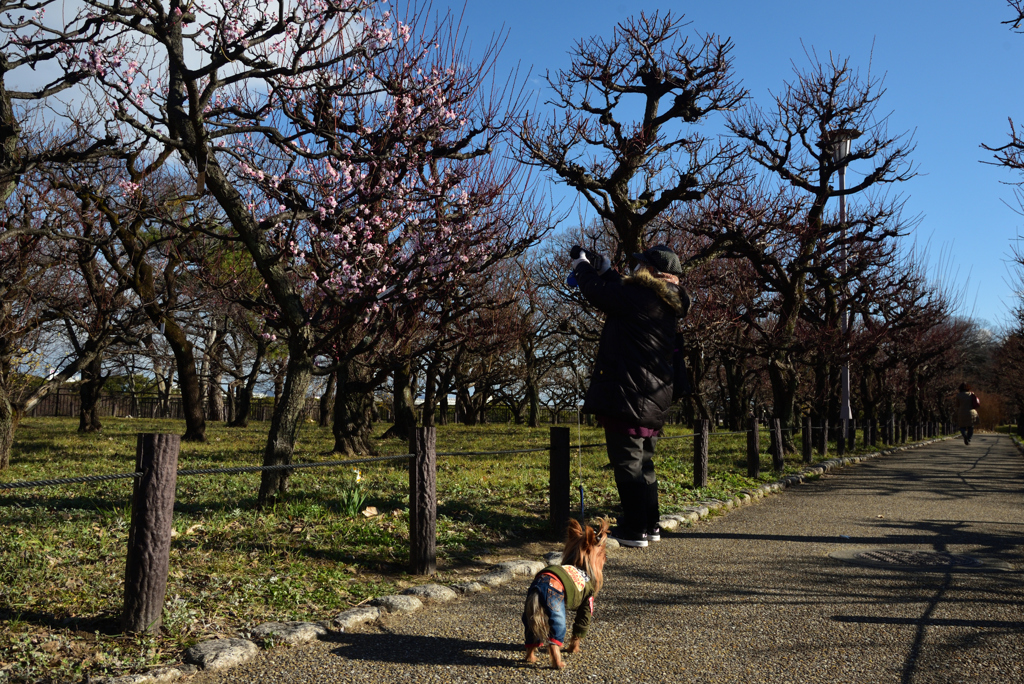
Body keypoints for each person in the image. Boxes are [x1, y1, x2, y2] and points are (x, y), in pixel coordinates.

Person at [570, 244, 690, 548]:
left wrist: (582, 266)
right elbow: (621, 292)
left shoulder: (642, 296)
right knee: (644, 463)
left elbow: (599, 293)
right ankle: (650, 524)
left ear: (653, 271)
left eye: (640, 266)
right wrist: (608, 271)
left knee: (628, 464)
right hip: (651, 396)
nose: (635, 269)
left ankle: (635, 530)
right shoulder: (664, 300)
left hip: (628, 393)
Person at [522, 518, 608, 669]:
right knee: (557, 620)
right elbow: (584, 617)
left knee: (532, 616)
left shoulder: (564, 570)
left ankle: (530, 653)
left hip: (541, 578)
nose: (604, 558)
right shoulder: (586, 584)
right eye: (602, 554)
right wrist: (575, 642)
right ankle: (556, 659)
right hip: (554, 586)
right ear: (590, 553)